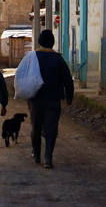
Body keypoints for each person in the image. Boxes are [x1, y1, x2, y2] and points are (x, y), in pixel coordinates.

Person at [28, 29, 74, 169]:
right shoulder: (58, 59)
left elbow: (23, 75)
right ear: (53, 43)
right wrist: (69, 97)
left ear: (39, 42)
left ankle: (36, 155)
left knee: (36, 127)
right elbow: (68, 80)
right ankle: (48, 158)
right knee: (51, 127)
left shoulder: (32, 57)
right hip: (53, 99)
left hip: (35, 99)